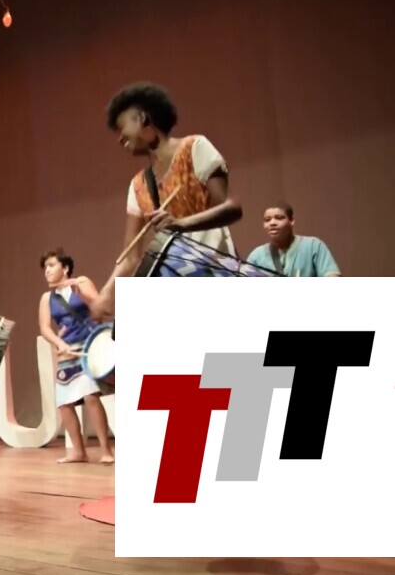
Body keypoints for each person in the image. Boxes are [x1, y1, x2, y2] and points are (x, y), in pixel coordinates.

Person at [91, 82, 244, 318]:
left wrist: (180, 224)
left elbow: (232, 207)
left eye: (122, 127)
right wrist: (107, 292)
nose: (120, 138)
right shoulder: (138, 185)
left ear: (143, 119)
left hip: (218, 276)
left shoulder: (194, 147)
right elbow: (130, 255)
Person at [37, 249, 114, 464]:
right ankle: (78, 451)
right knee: (64, 402)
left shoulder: (81, 282)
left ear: (65, 268)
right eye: (45, 268)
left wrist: (78, 290)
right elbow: (45, 327)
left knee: (90, 396)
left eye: (51, 265)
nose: (47, 271)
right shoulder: (47, 298)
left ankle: (106, 450)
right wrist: (59, 343)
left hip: (89, 346)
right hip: (67, 349)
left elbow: (99, 305)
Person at [246, 202, 341, 277]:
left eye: (279, 218)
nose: (272, 223)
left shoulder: (313, 246)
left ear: (292, 221)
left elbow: (332, 276)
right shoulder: (257, 256)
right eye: (267, 220)